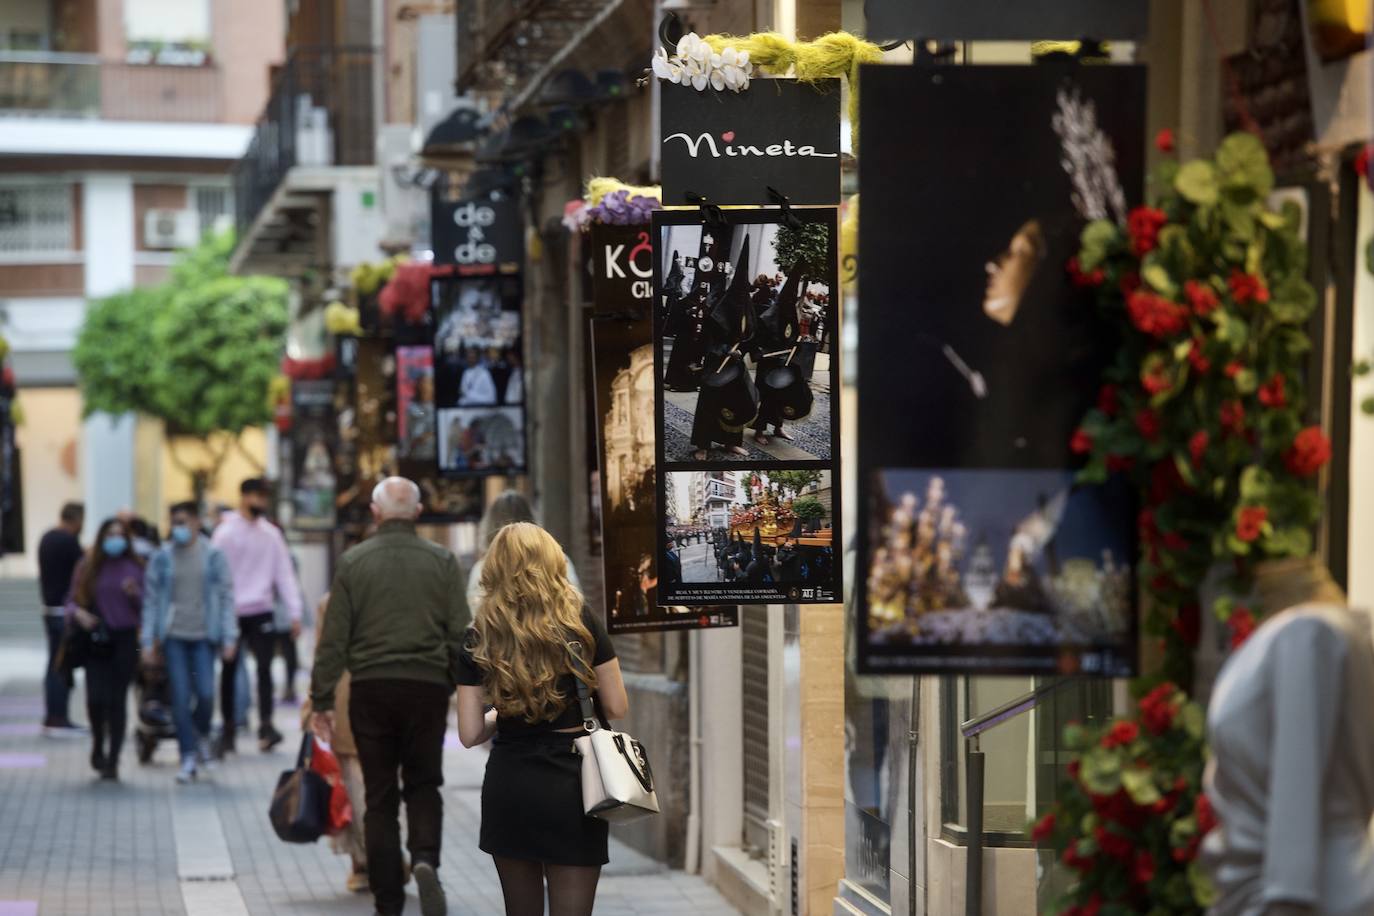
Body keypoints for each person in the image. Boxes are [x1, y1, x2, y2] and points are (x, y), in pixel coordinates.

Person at [310, 477, 469, 916]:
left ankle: (387, 899)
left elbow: (334, 640)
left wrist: (322, 699)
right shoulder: (442, 561)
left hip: (371, 689)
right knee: (424, 784)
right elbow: (461, 634)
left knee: (379, 797)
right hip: (425, 688)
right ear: (417, 513)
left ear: (376, 514)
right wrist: (457, 686)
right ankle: (424, 859)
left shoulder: (354, 562)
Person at [456, 522, 629, 916]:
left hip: (510, 783)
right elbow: (617, 707)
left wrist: (506, 710)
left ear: (493, 569)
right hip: (574, 784)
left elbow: (469, 733)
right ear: (553, 563)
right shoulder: (580, 622)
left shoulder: (478, 635)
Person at [140, 502, 237, 784]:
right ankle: (188, 756)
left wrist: (230, 636)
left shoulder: (213, 555)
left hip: (205, 637)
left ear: (196, 522)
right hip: (174, 638)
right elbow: (151, 601)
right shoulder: (162, 558)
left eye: (183, 522)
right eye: (174, 523)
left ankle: (200, 735)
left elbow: (226, 596)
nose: (177, 528)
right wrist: (148, 641)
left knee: (206, 694)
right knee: (180, 698)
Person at [212, 478, 303, 754]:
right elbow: (215, 575)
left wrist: (295, 612)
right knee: (229, 670)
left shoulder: (271, 534)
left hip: (262, 610)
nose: (262, 502)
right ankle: (228, 728)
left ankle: (266, 725)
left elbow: (284, 574)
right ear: (244, 497)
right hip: (232, 612)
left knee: (264, 670)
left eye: (264, 497)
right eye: (257, 496)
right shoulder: (225, 533)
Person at [301, 591, 372, 894]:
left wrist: (316, 704)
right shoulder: (396, 595)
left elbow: (323, 656)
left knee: (354, 788)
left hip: (345, 704)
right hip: (388, 702)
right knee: (382, 788)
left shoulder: (330, 602)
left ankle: (364, 863)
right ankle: (382, 857)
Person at [65, 517, 145, 780]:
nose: (115, 540)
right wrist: (79, 615)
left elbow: (148, 604)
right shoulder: (88, 565)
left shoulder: (135, 566)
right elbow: (71, 601)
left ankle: (113, 759)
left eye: (120, 534)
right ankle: (98, 742)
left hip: (124, 639)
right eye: (110, 534)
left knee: (117, 700)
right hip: (95, 638)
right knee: (96, 699)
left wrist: (135, 594)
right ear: (101, 537)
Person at [466, 490, 581, 612]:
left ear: (489, 525)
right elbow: (576, 605)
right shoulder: (558, 560)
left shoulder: (482, 570)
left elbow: (476, 616)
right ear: (532, 521)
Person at [37, 501, 85, 735]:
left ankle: (53, 716)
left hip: (49, 608)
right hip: (62, 612)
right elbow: (81, 572)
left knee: (53, 665)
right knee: (61, 666)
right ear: (76, 520)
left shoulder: (47, 538)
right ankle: (57, 718)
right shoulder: (68, 542)